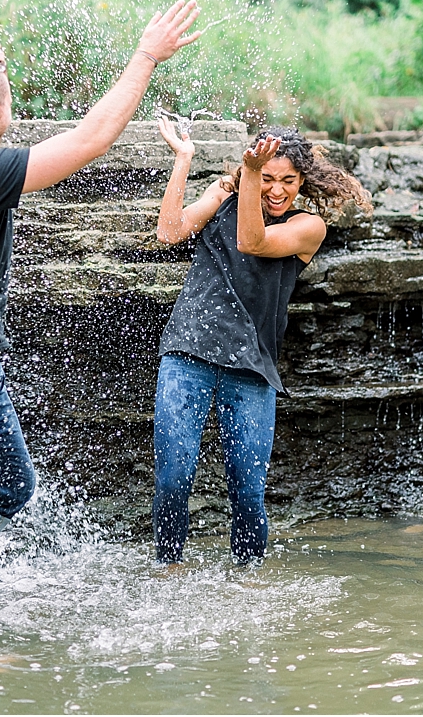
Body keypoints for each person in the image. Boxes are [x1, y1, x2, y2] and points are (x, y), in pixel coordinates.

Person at [0, 0, 201, 644]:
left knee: (12, 488)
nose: (7, 114)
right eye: (3, 103)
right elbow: (92, 141)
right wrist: (145, 57)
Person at [152, 119, 373, 565]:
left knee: (248, 490)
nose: (276, 190)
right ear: (253, 169)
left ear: (302, 182)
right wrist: (184, 160)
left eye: (287, 181)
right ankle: (167, 570)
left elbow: (252, 241)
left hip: (252, 365)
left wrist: (250, 175)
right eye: (267, 177)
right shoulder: (223, 197)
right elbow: (169, 232)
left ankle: (249, 578)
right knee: (173, 476)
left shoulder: (309, 227)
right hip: (189, 348)